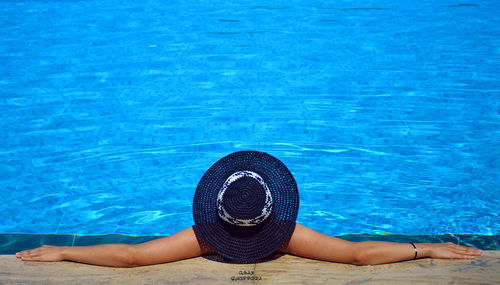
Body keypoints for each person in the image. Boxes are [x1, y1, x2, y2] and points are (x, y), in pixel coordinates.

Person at [16, 151, 482, 267]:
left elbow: (131, 256)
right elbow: (358, 254)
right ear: (272, 206)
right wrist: (425, 248)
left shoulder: (202, 238)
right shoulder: (284, 234)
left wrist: (65, 252)